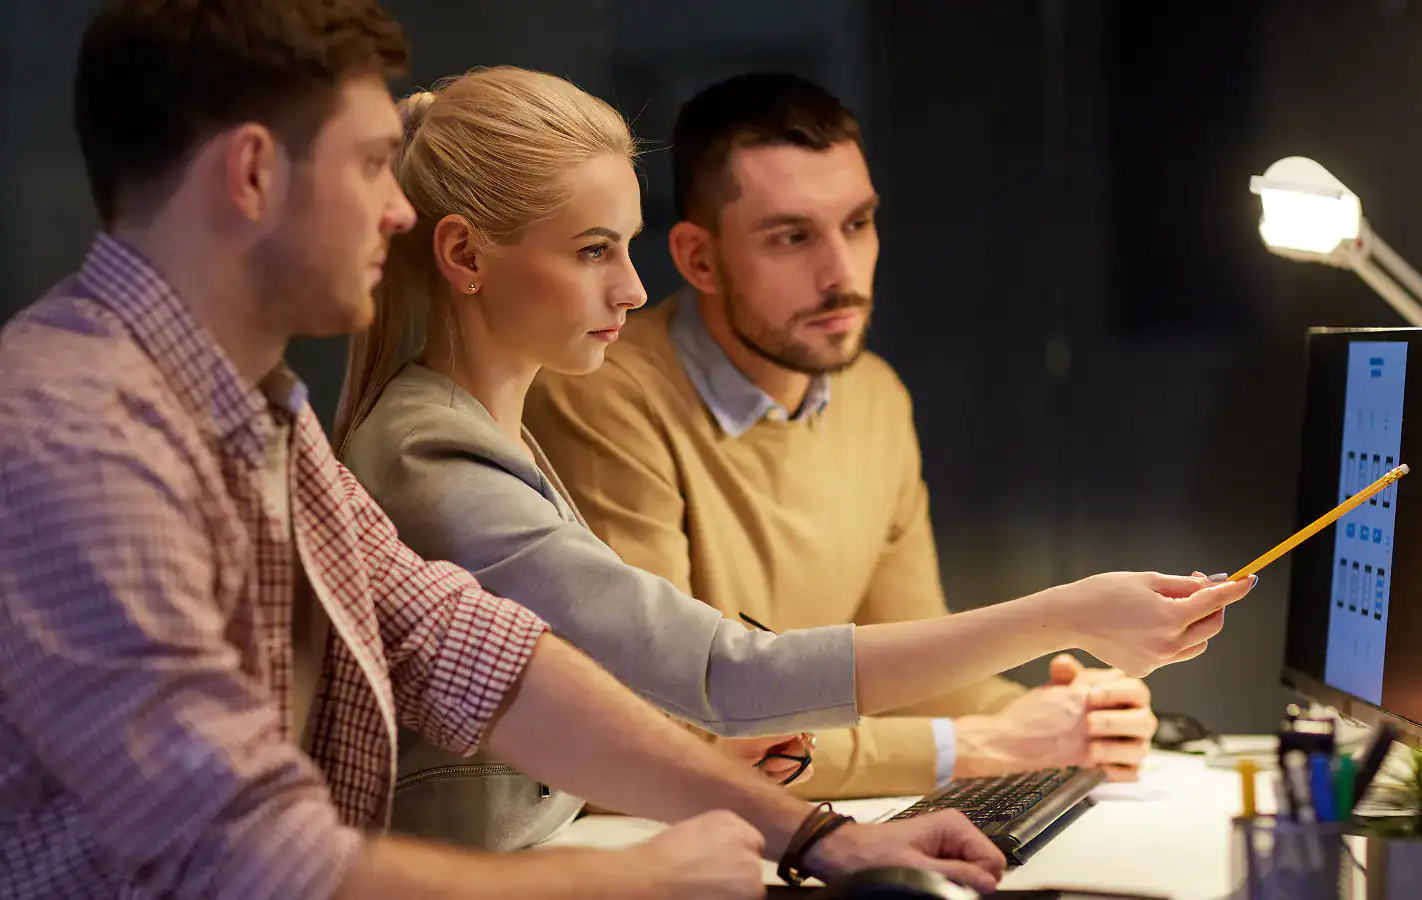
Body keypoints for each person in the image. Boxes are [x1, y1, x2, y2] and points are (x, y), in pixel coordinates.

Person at [0, 5, 1022, 896]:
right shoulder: (79, 438)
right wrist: (634, 881)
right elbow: (244, 859)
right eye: (368, 166)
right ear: (254, 173)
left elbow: (468, 652)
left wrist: (817, 837)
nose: (398, 208)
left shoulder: (259, 413)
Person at [333, 57, 1254, 852]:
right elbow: (719, 677)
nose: (629, 284)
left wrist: (1038, 717)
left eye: (858, 225)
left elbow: (593, 721)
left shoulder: (489, 430)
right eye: (591, 251)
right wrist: (1064, 619)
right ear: (464, 255)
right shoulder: (441, 453)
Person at [524, 72, 1211, 800]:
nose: (841, 274)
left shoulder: (873, 396)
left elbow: (919, 674)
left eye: (857, 224)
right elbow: (663, 730)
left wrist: (1067, 716)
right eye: (792, 237)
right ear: (699, 259)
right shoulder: (601, 396)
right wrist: (977, 745)